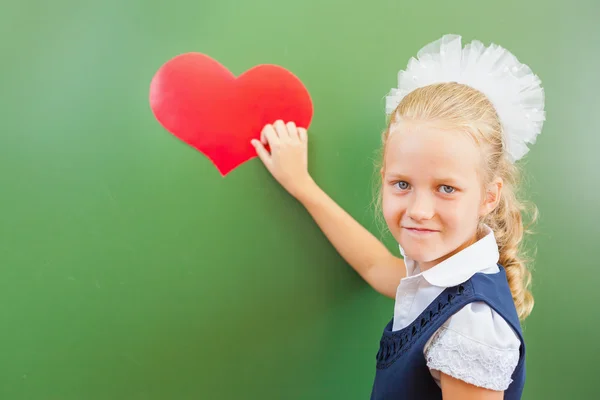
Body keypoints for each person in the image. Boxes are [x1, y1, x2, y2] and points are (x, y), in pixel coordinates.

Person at [250, 34, 545, 399]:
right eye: (402, 184)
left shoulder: (470, 328)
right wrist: (302, 185)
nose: (419, 211)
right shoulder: (442, 268)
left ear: (489, 196)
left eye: (446, 188)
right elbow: (375, 266)